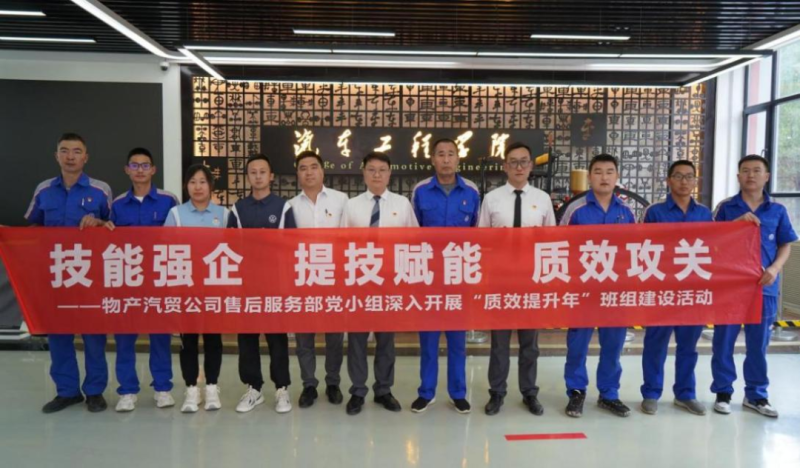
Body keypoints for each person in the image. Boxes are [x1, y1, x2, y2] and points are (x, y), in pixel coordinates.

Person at [26, 132, 112, 413]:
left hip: (90, 275)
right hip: (55, 275)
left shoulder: (101, 190)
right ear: (57, 156)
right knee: (59, 334)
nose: (70, 156)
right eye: (65, 151)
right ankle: (67, 391)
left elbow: (114, 229)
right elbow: (33, 228)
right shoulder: (43, 190)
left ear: (85, 157)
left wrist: (98, 223)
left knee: (93, 335)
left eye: (76, 151)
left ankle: (95, 391)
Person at [710, 154, 797, 418]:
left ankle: (756, 395)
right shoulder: (726, 208)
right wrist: (735, 225)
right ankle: (723, 392)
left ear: (766, 176)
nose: (751, 175)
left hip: (764, 288)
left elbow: (785, 245)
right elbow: (709, 241)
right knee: (723, 342)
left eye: (757, 170)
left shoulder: (777, 210)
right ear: (738, 176)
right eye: (745, 170)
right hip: (730, 288)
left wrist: (774, 269)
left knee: (758, 344)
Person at [478, 142, 556, 416]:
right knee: (499, 341)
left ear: (531, 166)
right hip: (501, 279)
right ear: (505, 166)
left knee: (529, 342)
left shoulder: (542, 199)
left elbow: (551, 241)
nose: (519, 167)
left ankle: (529, 392)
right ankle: (497, 392)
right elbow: (482, 240)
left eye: (524, 161)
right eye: (513, 161)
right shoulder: (491, 199)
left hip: (531, 279)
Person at [340, 151, 419, 415]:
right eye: (371, 169)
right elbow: (341, 243)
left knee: (386, 339)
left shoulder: (402, 204)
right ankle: (358, 391)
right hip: (359, 280)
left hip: (390, 282)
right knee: (357, 339)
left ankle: (383, 389)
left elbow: (413, 242)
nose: (377, 175)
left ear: (389, 173)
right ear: (363, 173)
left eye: (382, 170)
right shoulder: (352, 205)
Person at [560, 153, 636, 418]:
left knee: (613, 344)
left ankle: (609, 394)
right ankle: (576, 392)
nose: (604, 177)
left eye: (609, 172)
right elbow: (559, 245)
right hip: (583, 289)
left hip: (615, 291)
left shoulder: (626, 211)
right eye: (598, 172)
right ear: (589, 177)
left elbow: (634, 250)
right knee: (577, 344)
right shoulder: (575, 209)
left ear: (617, 177)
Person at [409, 138, 480, 415]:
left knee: (457, 340)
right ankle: (426, 392)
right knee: (428, 339)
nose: (446, 159)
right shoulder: (421, 191)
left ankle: (458, 393)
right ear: (433, 159)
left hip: (459, 276)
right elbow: (413, 233)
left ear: (458, 159)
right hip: (428, 277)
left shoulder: (471, 192)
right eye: (441, 154)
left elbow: (477, 233)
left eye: (451, 154)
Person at [106, 147, 179, 412]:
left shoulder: (168, 201)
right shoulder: (116, 204)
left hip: (159, 280)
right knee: (125, 337)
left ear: (153, 169)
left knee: (160, 336)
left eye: (145, 165)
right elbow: (106, 240)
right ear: (127, 170)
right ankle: (127, 391)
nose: (140, 170)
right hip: (127, 281)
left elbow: (179, 238)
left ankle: (162, 388)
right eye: (134, 165)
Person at [639, 160, 711, 416]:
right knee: (655, 344)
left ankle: (685, 394)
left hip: (693, 290)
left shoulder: (705, 214)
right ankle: (651, 393)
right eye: (678, 176)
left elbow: (714, 247)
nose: (684, 181)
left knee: (688, 346)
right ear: (669, 181)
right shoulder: (654, 212)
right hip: (662, 290)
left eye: (689, 176)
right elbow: (641, 247)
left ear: (695, 181)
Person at [227, 153, 296, 414]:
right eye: (253, 172)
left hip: (275, 285)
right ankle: (253, 388)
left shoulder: (283, 207)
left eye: (262, 172)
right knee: (247, 338)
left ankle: (282, 388)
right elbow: (230, 247)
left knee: (277, 338)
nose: (258, 176)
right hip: (246, 286)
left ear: (271, 176)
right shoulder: (238, 209)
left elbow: (291, 247)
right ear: (248, 177)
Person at [164, 164, 230, 413]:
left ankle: (212, 387)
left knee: (213, 340)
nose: (198, 187)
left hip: (214, 288)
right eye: (192, 182)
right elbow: (166, 251)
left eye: (202, 181)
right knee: (188, 341)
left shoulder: (224, 215)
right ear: (186, 186)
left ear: (210, 185)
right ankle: (191, 388)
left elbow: (232, 250)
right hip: (186, 289)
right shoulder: (176, 214)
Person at [288, 150, 348, 408]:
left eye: (313, 167)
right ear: (298, 174)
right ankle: (309, 384)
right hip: (303, 278)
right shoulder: (290, 205)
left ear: (322, 171)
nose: (309, 172)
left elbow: (348, 239)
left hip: (334, 277)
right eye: (303, 168)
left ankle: (333, 382)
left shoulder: (341, 200)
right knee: (304, 337)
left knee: (334, 336)